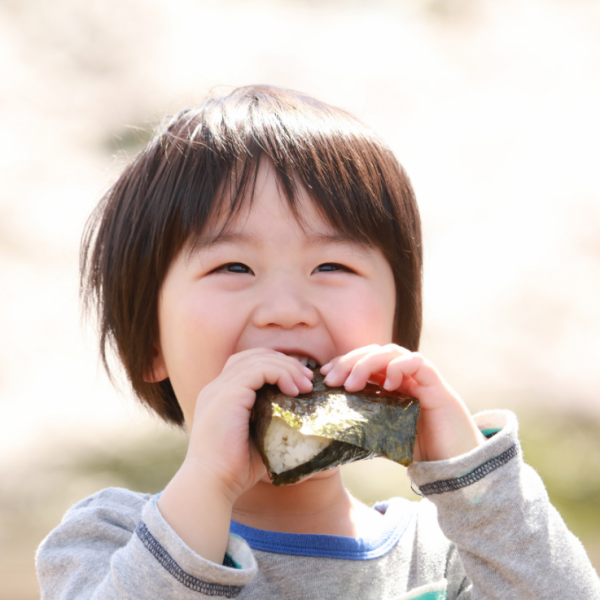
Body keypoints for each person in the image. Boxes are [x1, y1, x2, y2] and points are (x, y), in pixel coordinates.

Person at [36, 85, 600, 599]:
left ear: (396, 330)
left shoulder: (448, 556)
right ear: (151, 345)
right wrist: (209, 482)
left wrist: (475, 484)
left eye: (331, 265)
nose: (286, 310)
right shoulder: (106, 542)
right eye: (233, 266)